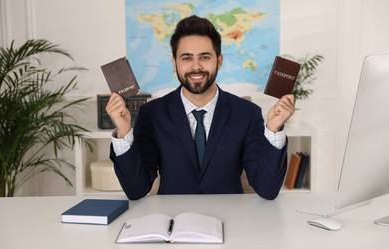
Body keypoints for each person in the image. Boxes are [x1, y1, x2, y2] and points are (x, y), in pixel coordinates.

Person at [106, 15, 295, 200]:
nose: (196, 67)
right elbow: (136, 190)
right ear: (174, 63)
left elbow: (267, 189)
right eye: (187, 58)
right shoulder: (152, 114)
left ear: (218, 61)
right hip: (174, 221)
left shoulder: (247, 114)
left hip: (231, 221)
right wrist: (123, 132)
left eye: (204, 57)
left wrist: (273, 130)